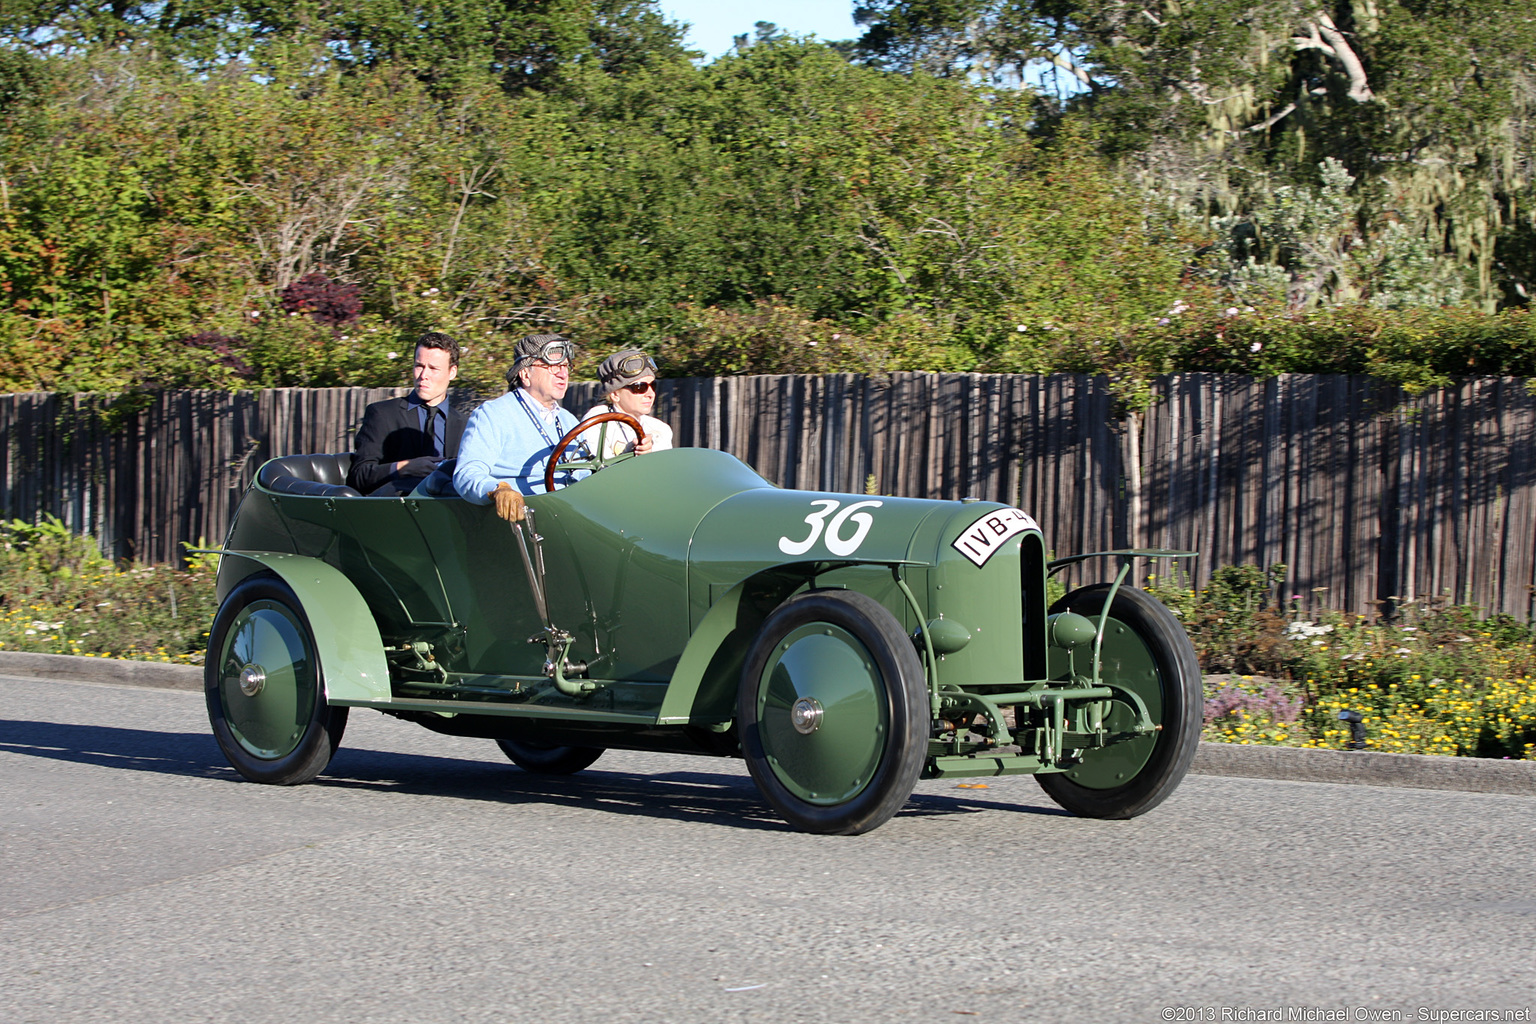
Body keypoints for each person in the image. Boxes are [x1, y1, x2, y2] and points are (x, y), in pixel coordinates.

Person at [453, 333, 585, 522]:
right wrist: (498, 489)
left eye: (565, 366)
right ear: (525, 374)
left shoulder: (568, 420)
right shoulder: (492, 414)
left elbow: (584, 474)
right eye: (552, 366)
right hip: (521, 525)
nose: (563, 373)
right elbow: (467, 474)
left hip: (570, 518)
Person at [348, 332, 469, 496]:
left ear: (452, 372)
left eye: (433, 368)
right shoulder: (382, 414)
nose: (423, 375)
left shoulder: (464, 425)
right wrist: (405, 467)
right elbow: (358, 477)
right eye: (419, 366)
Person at [577, 348, 674, 460]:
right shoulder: (598, 421)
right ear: (615, 394)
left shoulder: (661, 430)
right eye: (640, 387)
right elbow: (600, 473)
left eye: (653, 385)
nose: (651, 394)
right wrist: (630, 453)